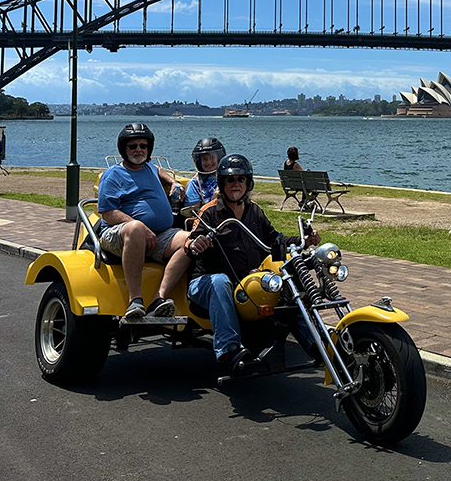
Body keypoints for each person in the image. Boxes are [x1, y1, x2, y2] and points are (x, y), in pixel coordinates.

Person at [183, 153, 319, 369]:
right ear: (221, 182)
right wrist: (195, 244)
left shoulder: (255, 211)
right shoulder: (209, 212)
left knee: (286, 289)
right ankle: (229, 350)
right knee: (220, 281)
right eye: (230, 179)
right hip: (205, 285)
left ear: (248, 182)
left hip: (245, 283)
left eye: (241, 179)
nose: (235, 184)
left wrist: (304, 240)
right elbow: (190, 241)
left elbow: (275, 239)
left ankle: (318, 347)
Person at [97, 122, 189, 323]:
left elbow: (158, 170)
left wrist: (173, 182)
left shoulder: (148, 168)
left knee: (190, 241)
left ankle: (159, 298)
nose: (139, 149)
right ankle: (135, 300)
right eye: (133, 146)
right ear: (124, 149)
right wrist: (142, 228)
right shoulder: (112, 174)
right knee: (136, 227)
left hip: (158, 235)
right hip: (118, 235)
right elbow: (107, 213)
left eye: (143, 146)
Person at [184, 137, 225, 213]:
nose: (209, 162)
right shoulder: (195, 184)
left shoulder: (227, 179)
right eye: (204, 159)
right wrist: (215, 200)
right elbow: (192, 217)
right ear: (199, 162)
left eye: (212, 158)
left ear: (219, 159)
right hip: (206, 222)